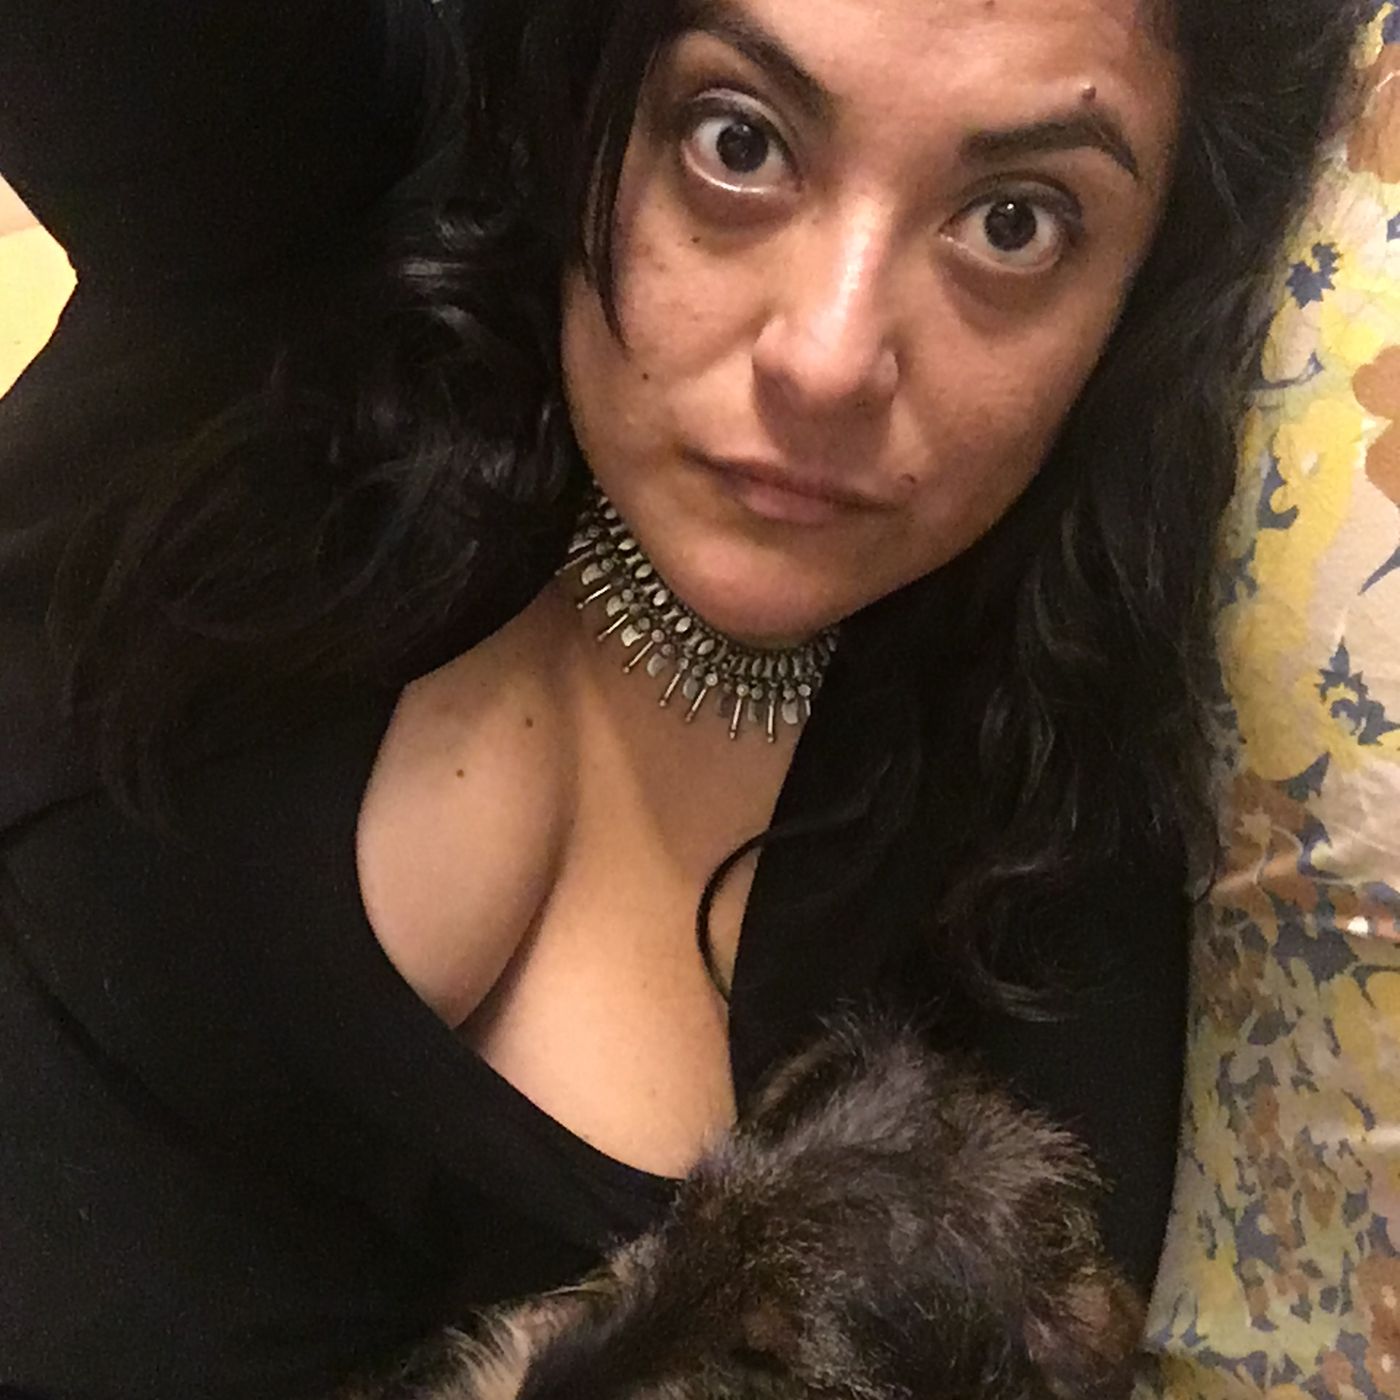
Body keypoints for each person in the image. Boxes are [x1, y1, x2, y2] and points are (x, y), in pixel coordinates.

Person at [0, 0, 1354, 1396]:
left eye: (1015, 223)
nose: (826, 358)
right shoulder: (318, 228)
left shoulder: (1039, 851)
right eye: (738, 140)